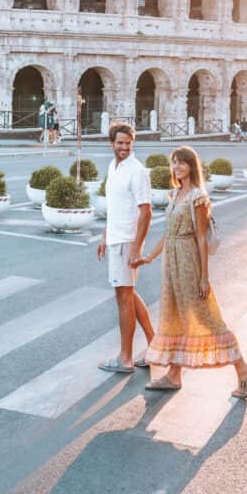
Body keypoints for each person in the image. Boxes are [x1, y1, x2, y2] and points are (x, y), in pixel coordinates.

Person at [132, 145, 247, 397]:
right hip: (172, 263)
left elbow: (201, 238)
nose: (177, 167)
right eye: (174, 162)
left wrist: (204, 277)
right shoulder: (175, 194)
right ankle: (174, 375)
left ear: (191, 166)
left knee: (206, 317)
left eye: (182, 163)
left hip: (189, 262)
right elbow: (168, 234)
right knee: (174, 317)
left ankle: (244, 370)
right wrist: (148, 258)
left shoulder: (197, 197)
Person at [96, 122, 155, 373]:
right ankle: (156, 345)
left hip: (126, 242)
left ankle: (126, 358)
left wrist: (136, 247)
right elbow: (116, 206)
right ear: (112, 144)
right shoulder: (114, 166)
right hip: (115, 238)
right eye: (120, 143)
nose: (124, 147)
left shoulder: (137, 171)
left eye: (128, 143)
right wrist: (105, 235)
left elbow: (146, 211)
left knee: (123, 298)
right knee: (127, 294)